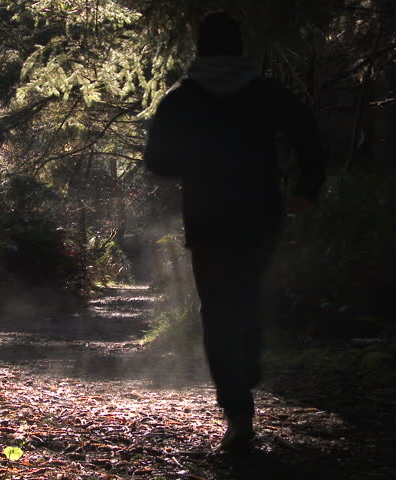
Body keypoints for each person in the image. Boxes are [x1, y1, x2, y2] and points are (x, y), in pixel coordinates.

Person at [143, 12, 325, 452]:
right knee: (249, 296)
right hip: (260, 214)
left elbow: (156, 163)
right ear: (240, 47)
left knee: (217, 310)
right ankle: (249, 368)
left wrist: (195, 162)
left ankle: (238, 412)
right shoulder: (266, 93)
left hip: (207, 218)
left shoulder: (181, 99)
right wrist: (306, 188)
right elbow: (309, 136)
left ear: (200, 47)